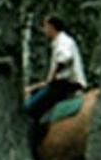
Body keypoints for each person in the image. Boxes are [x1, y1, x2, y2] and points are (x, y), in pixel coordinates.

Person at [25, 15, 87, 153]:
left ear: (52, 27)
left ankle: (32, 147)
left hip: (64, 85)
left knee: (29, 109)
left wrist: (53, 75)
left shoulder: (63, 41)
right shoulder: (60, 42)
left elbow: (65, 57)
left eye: (45, 26)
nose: (44, 30)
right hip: (61, 84)